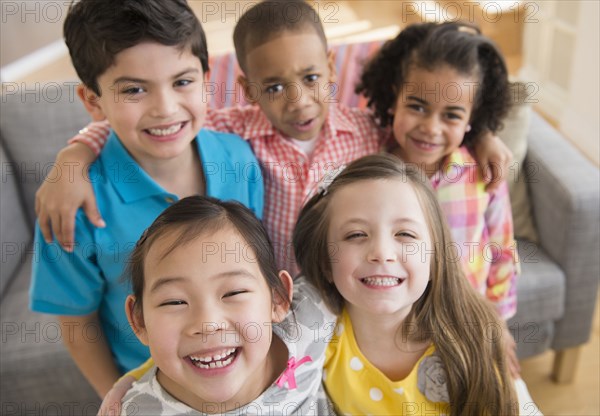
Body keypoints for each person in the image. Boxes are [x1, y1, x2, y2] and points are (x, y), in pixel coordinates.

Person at [33, 1, 512, 276]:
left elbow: (428, 126)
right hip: (279, 296)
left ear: (330, 68)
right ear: (248, 90)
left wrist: (484, 134)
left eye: (310, 78)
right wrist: (74, 156)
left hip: (352, 286)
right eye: (275, 87)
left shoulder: (368, 129)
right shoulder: (235, 128)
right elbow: (168, 121)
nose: (299, 101)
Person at [29, 0, 263, 397]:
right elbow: (76, 322)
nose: (166, 108)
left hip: (244, 372)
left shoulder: (239, 158)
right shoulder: (72, 206)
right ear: (93, 101)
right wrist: (115, 396)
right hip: (151, 390)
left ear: (207, 79)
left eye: (182, 82)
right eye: (134, 90)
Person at [293, 154, 520, 415]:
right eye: (355, 235)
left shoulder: (471, 337)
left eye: (405, 234)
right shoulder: (316, 343)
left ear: (435, 259)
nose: (381, 252)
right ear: (325, 263)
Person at [356, 22, 521, 375]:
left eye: (451, 115)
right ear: (393, 94)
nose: (431, 127)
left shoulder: (482, 173)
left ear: (471, 120)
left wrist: (499, 322)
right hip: (387, 333)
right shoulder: (368, 164)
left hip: (464, 327)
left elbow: (503, 249)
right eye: (417, 106)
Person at [119, 196, 335, 415]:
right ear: (139, 321)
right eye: (174, 301)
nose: (208, 324)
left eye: (234, 293)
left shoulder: (311, 317)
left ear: (278, 299)